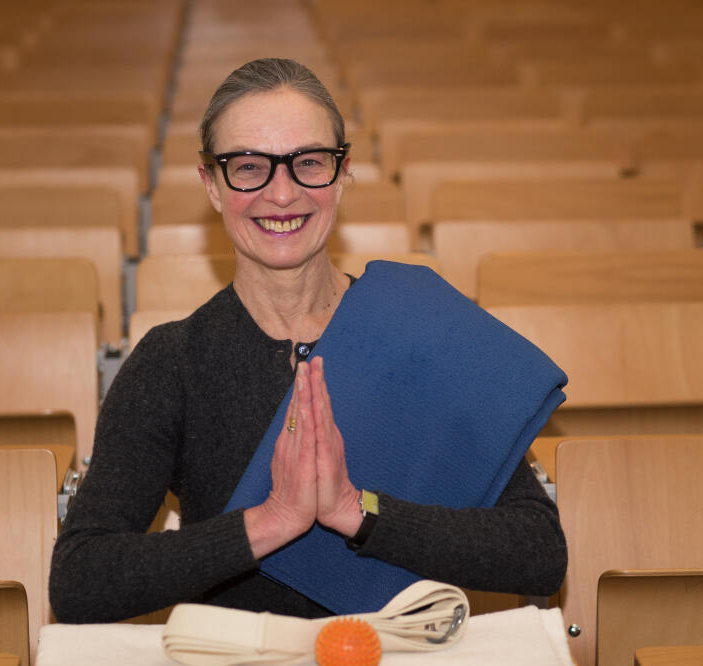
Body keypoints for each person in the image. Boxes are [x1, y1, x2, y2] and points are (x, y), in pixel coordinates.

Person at [49, 58, 567, 624]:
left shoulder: (421, 328)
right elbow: (80, 579)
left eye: (309, 163)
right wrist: (268, 522)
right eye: (249, 167)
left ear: (342, 175)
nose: (282, 193)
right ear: (212, 185)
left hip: (402, 658)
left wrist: (357, 512)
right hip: (241, 662)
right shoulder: (173, 361)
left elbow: (538, 552)